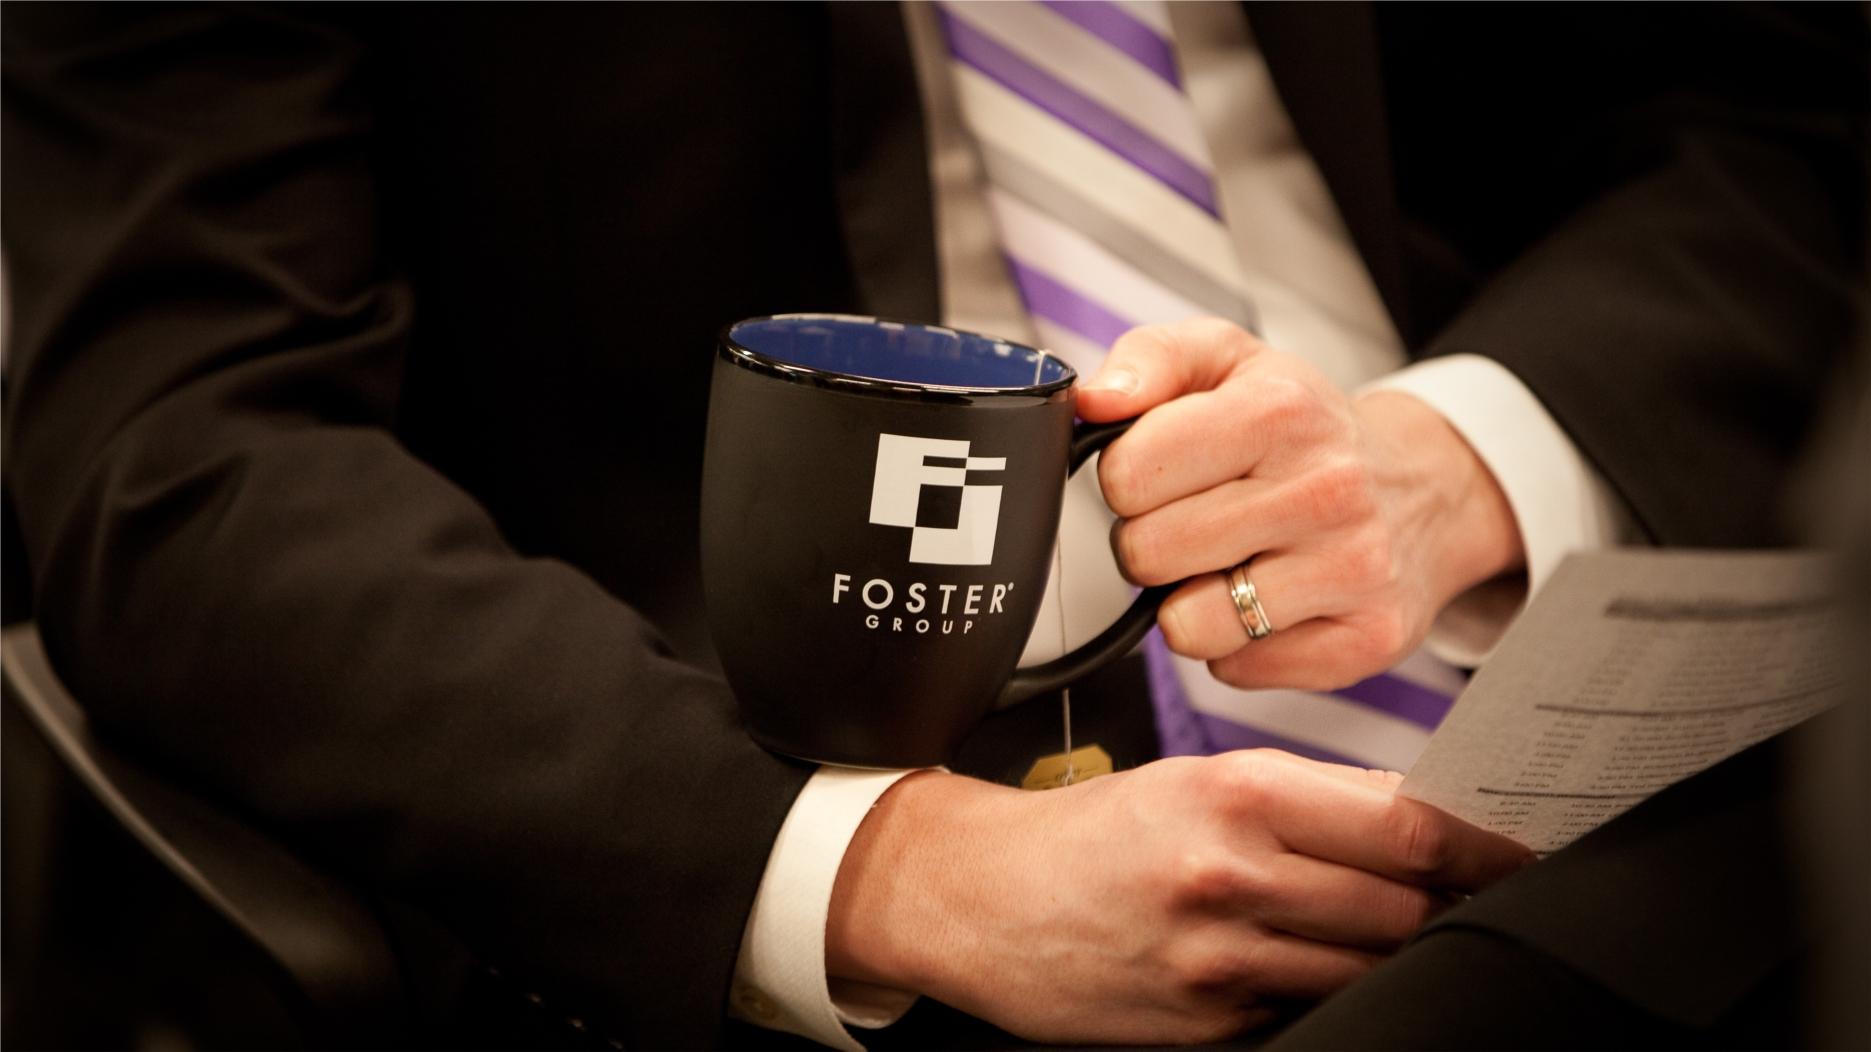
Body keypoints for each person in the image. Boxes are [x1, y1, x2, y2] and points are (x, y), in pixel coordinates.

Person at [2, 3, 1861, 1048]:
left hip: (1621, 677)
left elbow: (1783, 126)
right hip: (821, 821)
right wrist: (876, 870)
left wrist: (1462, 460)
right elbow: (186, 446)